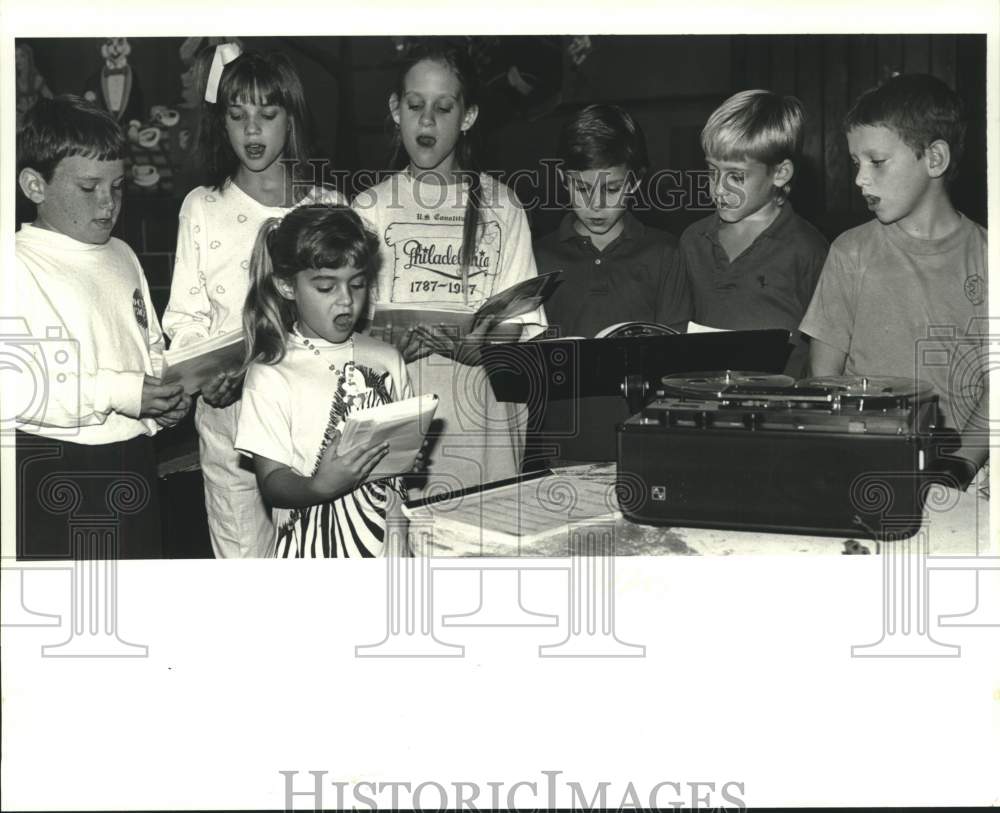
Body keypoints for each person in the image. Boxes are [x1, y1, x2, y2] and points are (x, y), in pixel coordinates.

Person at [163, 48, 346, 558]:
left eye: (267, 115)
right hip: (229, 421)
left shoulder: (326, 207)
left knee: (316, 556)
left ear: (291, 119)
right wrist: (207, 373)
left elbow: (348, 320)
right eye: (237, 115)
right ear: (221, 122)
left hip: (308, 418)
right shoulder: (203, 206)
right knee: (242, 563)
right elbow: (186, 316)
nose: (252, 131)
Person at [352, 39, 547, 498]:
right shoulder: (368, 208)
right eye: (415, 105)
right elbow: (346, 330)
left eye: (443, 108)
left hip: (486, 426)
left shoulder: (503, 206)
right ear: (396, 109)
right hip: (400, 417)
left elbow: (515, 330)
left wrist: (478, 347)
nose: (427, 120)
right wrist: (389, 344)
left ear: (468, 116)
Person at [14, 95, 190, 560]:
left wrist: (161, 400)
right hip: (53, 465)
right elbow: (15, 388)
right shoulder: (15, 262)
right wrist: (123, 392)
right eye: (89, 187)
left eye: (117, 187)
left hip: (132, 457)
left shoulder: (122, 254)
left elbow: (147, 345)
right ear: (34, 185)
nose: (108, 204)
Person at [801, 73, 988, 484]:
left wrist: (961, 463)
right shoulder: (849, 253)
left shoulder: (988, 257)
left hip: (963, 469)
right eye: (855, 163)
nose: (859, 179)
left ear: (934, 159)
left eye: (877, 162)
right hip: (864, 460)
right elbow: (824, 381)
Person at [234, 205, 412, 558]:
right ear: (287, 285)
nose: (346, 300)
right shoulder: (271, 373)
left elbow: (401, 460)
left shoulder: (388, 359)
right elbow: (271, 481)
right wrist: (319, 487)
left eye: (358, 284)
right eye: (326, 287)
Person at [533, 103, 692, 462]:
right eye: (581, 187)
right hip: (559, 450)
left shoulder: (664, 254)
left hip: (646, 444)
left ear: (635, 181)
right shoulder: (538, 257)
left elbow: (677, 366)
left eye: (612, 188)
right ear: (562, 179)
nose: (595, 204)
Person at [678, 89, 829, 377]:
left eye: (736, 176)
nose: (719, 188)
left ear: (780, 174)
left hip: (778, 414)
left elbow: (823, 351)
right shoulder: (692, 241)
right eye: (712, 172)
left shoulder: (808, 249)